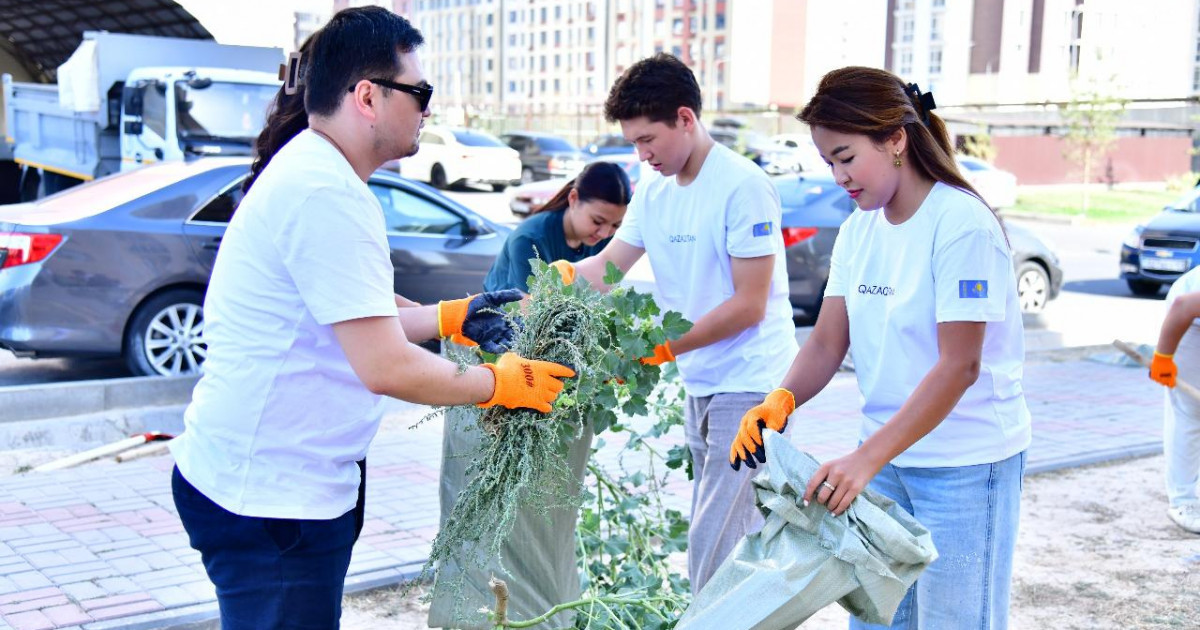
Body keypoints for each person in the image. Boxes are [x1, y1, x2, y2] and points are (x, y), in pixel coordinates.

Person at [167, 8, 575, 629]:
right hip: (272, 503)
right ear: (368, 96)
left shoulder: (317, 171)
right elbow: (384, 366)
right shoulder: (324, 192)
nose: (427, 110)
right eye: (420, 93)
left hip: (269, 486)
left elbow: (353, 319)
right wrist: (500, 385)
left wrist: (451, 316)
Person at [728, 66, 1031, 629]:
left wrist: (865, 460)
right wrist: (782, 399)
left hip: (964, 463)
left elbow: (960, 365)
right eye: (829, 163)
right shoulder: (858, 229)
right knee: (878, 621)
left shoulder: (961, 224)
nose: (839, 176)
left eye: (846, 157)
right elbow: (825, 340)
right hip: (886, 460)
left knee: (957, 621)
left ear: (896, 139)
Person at [548, 53, 799, 594]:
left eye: (647, 140)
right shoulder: (655, 189)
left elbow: (750, 304)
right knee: (734, 545)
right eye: (634, 143)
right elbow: (609, 267)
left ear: (685, 119)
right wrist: (553, 287)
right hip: (701, 383)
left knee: (714, 554)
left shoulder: (742, 185)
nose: (641, 154)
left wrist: (659, 348)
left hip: (752, 385)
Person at [428, 161, 632, 629]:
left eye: (616, 226)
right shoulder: (530, 240)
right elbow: (526, 320)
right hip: (501, 367)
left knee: (543, 514)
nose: (605, 233)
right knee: (496, 509)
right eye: (598, 221)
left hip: (546, 386)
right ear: (574, 198)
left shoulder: (592, 246)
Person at [1149, 266, 1200, 534]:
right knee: (1191, 411)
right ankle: (1183, 500)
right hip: (1189, 322)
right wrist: (1164, 358)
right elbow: (1183, 306)